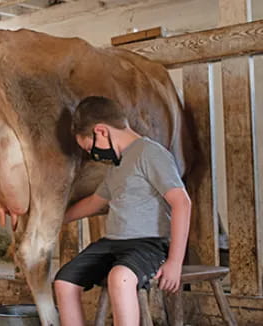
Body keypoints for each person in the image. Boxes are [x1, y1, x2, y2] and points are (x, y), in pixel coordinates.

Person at [54, 96, 191, 326]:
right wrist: (53, 222)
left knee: (120, 278)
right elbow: (94, 203)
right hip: (113, 243)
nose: (93, 154)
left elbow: (182, 203)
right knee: (64, 281)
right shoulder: (117, 166)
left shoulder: (150, 153)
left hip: (150, 243)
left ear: (102, 131)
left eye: (90, 147)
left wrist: (175, 262)